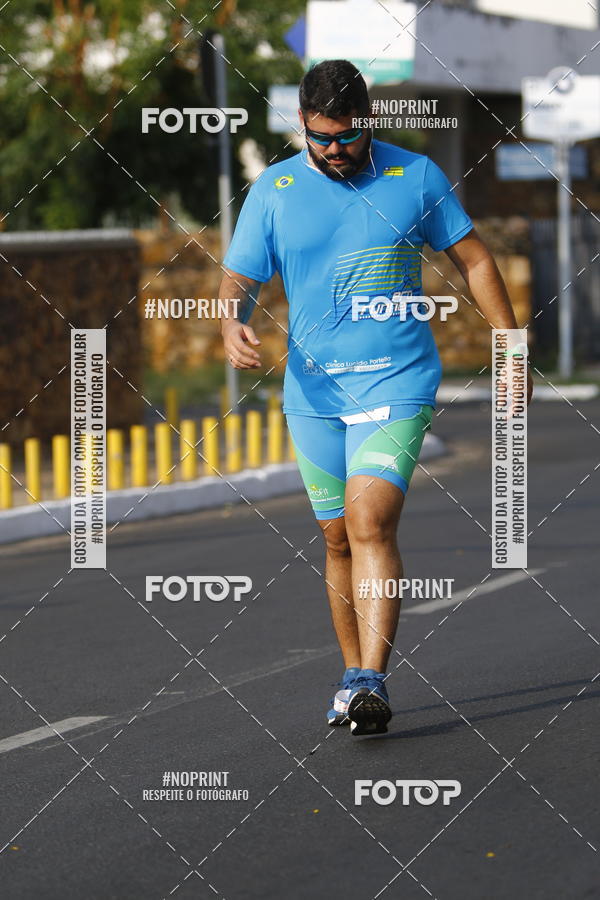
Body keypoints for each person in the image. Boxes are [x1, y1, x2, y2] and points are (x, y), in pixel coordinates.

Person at [219, 59, 533, 736]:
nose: (336, 150)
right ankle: (351, 674)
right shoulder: (272, 190)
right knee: (336, 539)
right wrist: (231, 316)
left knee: (370, 523)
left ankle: (370, 680)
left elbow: (474, 259)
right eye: (322, 137)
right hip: (312, 391)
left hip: (397, 381)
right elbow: (239, 276)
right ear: (302, 123)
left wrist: (511, 346)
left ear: (371, 122)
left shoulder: (414, 176)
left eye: (348, 136)